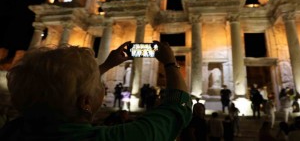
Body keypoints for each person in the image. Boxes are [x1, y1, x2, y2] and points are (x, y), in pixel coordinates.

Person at [0, 41, 193, 141]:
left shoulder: (13, 130)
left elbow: (58, 87)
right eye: (100, 84)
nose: (102, 85)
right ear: (85, 103)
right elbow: (178, 107)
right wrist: (170, 62)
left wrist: (105, 66)